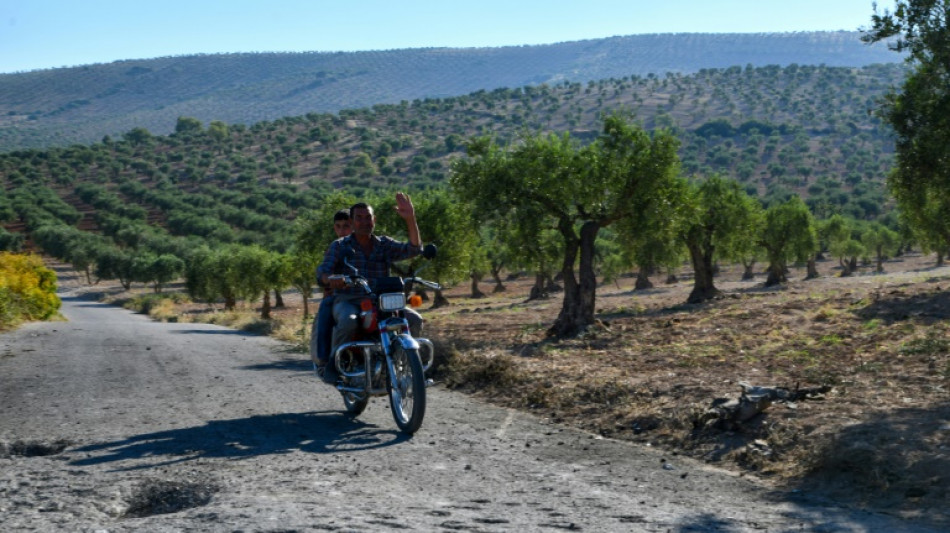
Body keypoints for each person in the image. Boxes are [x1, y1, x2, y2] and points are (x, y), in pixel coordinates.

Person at [317, 192, 424, 373]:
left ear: (374, 220)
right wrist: (331, 279)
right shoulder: (340, 246)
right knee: (348, 322)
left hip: (381, 301)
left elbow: (413, 249)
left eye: (368, 217)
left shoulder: (384, 244)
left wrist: (410, 218)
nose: (364, 222)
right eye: (359, 218)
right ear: (351, 222)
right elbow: (322, 272)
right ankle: (336, 366)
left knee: (414, 320)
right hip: (349, 300)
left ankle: (405, 366)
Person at [311, 209, 351, 383]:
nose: (342, 230)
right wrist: (328, 278)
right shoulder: (336, 247)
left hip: (367, 295)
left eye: (346, 226)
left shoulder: (369, 244)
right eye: (338, 227)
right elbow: (324, 269)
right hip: (337, 295)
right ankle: (324, 361)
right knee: (325, 311)